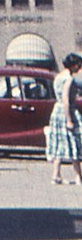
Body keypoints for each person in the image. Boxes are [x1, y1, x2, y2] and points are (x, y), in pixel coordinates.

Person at [46, 52, 82, 184]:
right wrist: (69, 120)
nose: (79, 68)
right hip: (67, 111)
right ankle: (79, 176)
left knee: (59, 142)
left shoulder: (58, 77)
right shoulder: (68, 78)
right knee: (75, 142)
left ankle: (56, 175)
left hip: (57, 110)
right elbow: (66, 99)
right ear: (73, 65)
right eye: (78, 65)